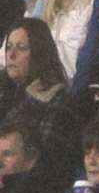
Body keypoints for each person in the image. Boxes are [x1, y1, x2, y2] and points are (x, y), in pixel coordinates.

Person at [0, 18, 82, 183]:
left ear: (40, 53)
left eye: (21, 48)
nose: (11, 55)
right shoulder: (5, 93)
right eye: (8, 47)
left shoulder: (59, 100)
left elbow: (48, 165)